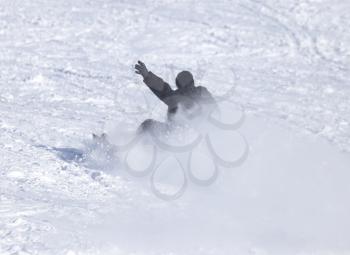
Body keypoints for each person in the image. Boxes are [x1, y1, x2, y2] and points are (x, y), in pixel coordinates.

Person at [135, 61, 216, 135]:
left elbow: (163, 90)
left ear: (178, 83)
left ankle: (137, 147)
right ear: (192, 82)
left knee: (147, 125)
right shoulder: (202, 91)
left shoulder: (178, 96)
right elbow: (214, 109)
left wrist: (147, 76)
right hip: (202, 133)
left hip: (176, 135)